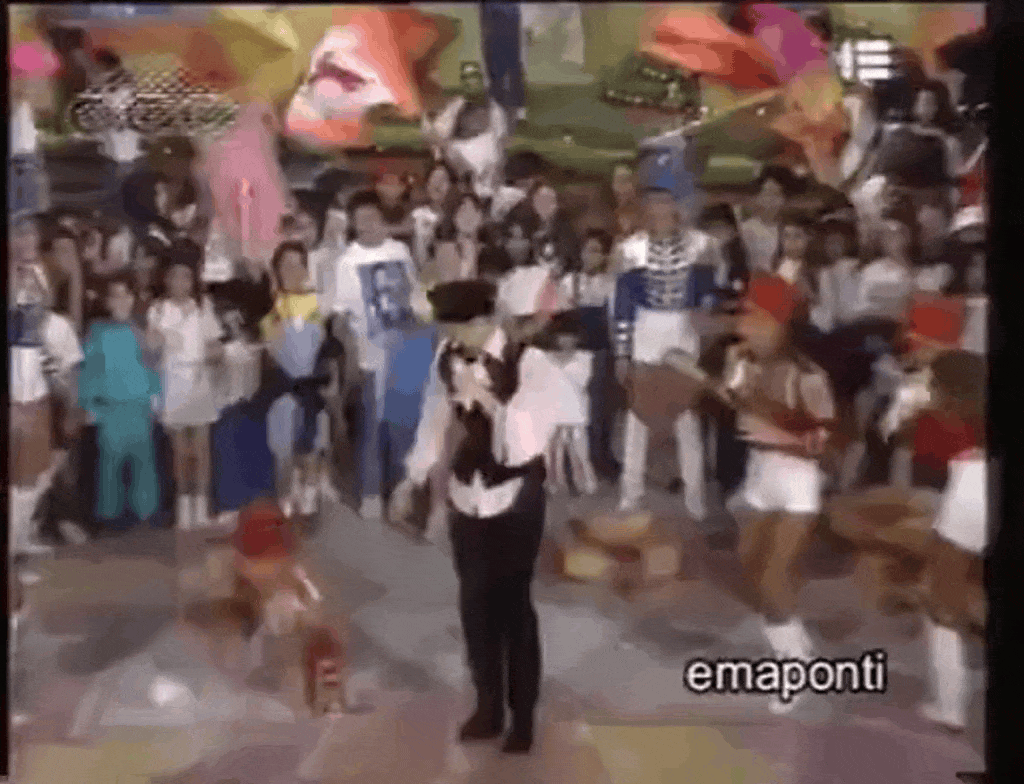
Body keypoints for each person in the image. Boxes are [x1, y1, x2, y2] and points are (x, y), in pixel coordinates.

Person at [390, 280, 582, 754]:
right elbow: (435, 420)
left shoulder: (529, 363)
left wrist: (490, 399)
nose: (456, 339)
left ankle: (523, 717)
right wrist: (412, 478)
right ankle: (488, 707)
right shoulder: (448, 357)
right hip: (468, 493)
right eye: (449, 330)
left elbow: (526, 444)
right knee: (474, 604)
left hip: (515, 494)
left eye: (462, 329)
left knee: (514, 606)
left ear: (486, 321)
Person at [720, 276, 836, 713]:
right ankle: (797, 644)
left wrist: (772, 422)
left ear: (778, 324)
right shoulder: (744, 363)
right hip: (759, 476)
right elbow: (733, 404)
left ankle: (794, 670)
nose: (743, 327)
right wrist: (732, 383)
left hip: (797, 483)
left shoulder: (809, 375)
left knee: (773, 577)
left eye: (753, 318)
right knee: (752, 570)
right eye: (744, 317)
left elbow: (824, 442)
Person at [612, 163, 724, 521]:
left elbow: (709, 293)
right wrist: (622, 352)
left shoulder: (702, 246)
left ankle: (695, 497)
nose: (659, 209)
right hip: (645, 332)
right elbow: (623, 306)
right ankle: (630, 494)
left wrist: (704, 313)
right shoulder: (630, 249)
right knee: (638, 417)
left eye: (666, 201)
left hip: (683, 333)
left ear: (677, 205)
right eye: (653, 202)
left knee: (686, 418)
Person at [326, 191, 430, 520]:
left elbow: (416, 297)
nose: (367, 226)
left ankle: (399, 492)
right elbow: (341, 316)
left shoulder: (400, 252)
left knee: (402, 428)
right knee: (370, 426)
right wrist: (350, 354)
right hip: (371, 354)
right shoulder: (347, 261)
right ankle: (369, 492)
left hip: (407, 353)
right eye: (360, 220)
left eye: (373, 218)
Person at [913, 351, 987, 733]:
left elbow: (927, 456)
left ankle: (949, 705)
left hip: (970, 491)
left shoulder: (951, 414)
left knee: (942, 597)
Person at [9, 218, 84, 555]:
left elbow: (51, 305)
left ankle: (20, 539)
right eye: (19, 233)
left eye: (31, 233)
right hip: (17, 390)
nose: (27, 240)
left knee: (36, 472)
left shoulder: (54, 320)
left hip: (36, 390)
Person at [257, 242, 342, 517]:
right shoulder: (271, 310)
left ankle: (311, 490)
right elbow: (272, 349)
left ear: (306, 269)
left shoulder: (320, 304)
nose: (292, 271)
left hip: (312, 388)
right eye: (285, 265)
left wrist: (331, 381)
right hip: (283, 388)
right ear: (276, 271)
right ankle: (288, 491)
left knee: (312, 443)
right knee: (283, 445)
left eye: (298, 265)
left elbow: (329, 348)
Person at [78, 273, 162, 531]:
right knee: (109, 465)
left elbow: (152, 365)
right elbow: (89, 370)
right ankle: (109, 517)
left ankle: (146, 514)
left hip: (139, 405)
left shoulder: (141, 329)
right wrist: (89, 404)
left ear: (133, 299)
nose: (121, 301)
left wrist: (156, 396)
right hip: (110, 406)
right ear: (107, 301)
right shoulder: (97, 331)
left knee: (143, 463)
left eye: (126, 295)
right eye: (115, 296)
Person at [146, 251, 224, 529]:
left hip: (198, 381)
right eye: (175, 276)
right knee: (180, 450)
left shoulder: (203, 307)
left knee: (200, 449)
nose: (180, 282)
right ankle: (183, 507)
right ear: (166, 279)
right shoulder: (157, 310)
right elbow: (151, 351)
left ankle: (200, 506)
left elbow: (215, 345)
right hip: (172, 383)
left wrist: (211, 355)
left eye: (186, 277)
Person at [808, 212, 864, 334]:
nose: (833, 248)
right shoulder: (823, 272)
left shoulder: (854, 267)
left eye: (838, 242)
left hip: (853, 327)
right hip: (833, 329)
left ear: (847, 243)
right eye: (829, 243)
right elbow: (827, 311)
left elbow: (847, 312)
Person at [424, 192, 489, 287]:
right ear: (454, 217)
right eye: (463, 210)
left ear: (481, 217)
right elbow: (450, 286)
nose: (468, 215)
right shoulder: (446, 249)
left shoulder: (488, 252)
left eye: (474, 209)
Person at [739, 167, 795, 275]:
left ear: (784, 199)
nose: (770, 200)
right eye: (766, 193)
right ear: (758, 197)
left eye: (776, 194)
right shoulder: (745, 230)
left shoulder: (790, 229)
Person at [411, 162, 457, 270]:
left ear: (451, 186)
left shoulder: (459, 217)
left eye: (443, 180)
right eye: (434, 179)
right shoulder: (417, 215)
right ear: (427, 185)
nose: (437, 184)